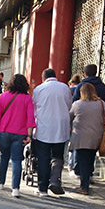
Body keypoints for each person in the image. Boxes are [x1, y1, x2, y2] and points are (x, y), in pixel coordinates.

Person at [0, 74, 36, 198]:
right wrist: (29, 135)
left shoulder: (3, 96)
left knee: (3, 157)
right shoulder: (27, 99)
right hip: (20, 133)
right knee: (16, 160)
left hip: (4, 132)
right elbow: (30, 118)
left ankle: (0, 182)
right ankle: (15, 188)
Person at [32, 68, 72, 197]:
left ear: (43, 78)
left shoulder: (39, 89)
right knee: (58, 156)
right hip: (61, 127)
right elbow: (69, 105)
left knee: (43, 158)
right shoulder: (65, 87)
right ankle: (55, 180)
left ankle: (42, 188)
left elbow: (34, 108)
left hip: (44, 127)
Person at [69, 82, 105, 195]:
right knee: (90, 159)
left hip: (80, 137)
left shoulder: (77, 104)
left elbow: (70, 117)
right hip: (95, 137)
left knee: (83, 161)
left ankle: (84, 186)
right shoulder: (101, 103)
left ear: (81, 92)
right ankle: (86, 182)